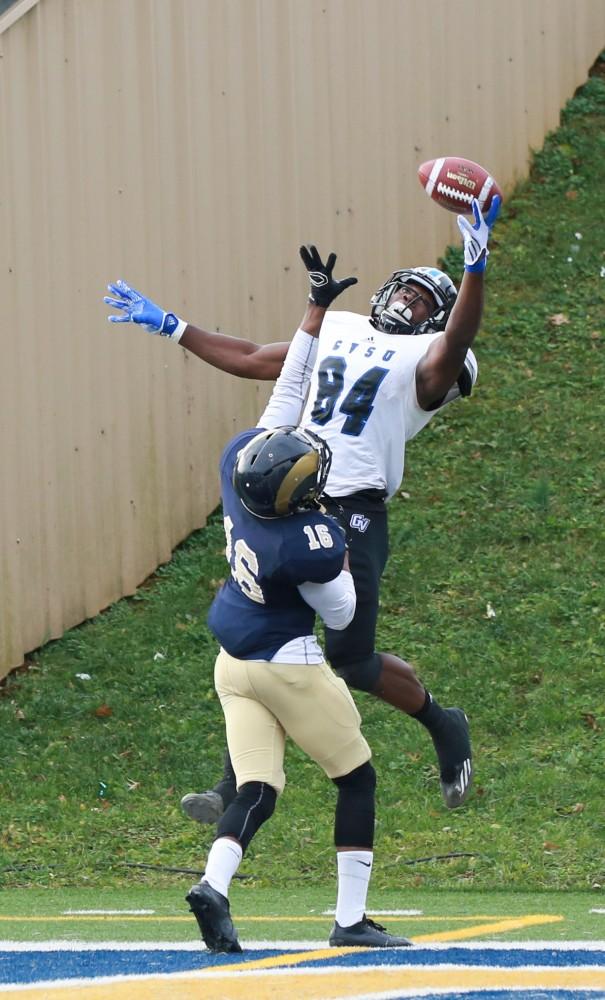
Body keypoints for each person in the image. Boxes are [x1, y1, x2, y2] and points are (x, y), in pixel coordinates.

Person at [105, 195, 500, 820]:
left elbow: (459, 339)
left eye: (424, 302)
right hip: (289, 496)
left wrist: (475, 264)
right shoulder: (339, 325)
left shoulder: (434, 360)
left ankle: (444, 723)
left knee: (352, 658)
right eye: (405, 291)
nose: (407, 303)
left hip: (354, 507)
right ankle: (232, 783)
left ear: (438, 318)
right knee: (265, 635)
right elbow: (258, 361)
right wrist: (172, 325)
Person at [162, 286, 410, 951]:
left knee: (257, 788)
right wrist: (342, 550)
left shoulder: (237, 471)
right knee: (355, 777)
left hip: (231, 665)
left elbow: (280, 399)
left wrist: (312, 315)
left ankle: (212, 886)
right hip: (287, 666)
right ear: (298, 497)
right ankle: (350, 919)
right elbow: (343, 611)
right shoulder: (309, 541)